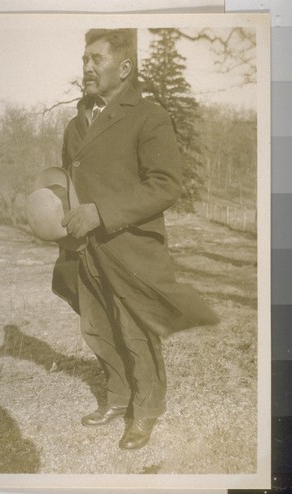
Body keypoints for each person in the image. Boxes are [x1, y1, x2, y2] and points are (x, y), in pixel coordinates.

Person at [52, 28, 218, 450]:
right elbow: (69, 181)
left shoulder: (149, 116)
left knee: (136, 329)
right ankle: (118, 397)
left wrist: (101, 213)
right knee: (97, 326)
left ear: (124, 67)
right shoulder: (75, 124)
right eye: (84, 58)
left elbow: (165, 185)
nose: (86, 66)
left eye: (96, 59)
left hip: (130, 249)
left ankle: (145, 411)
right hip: (85, 250)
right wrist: (55, 212)